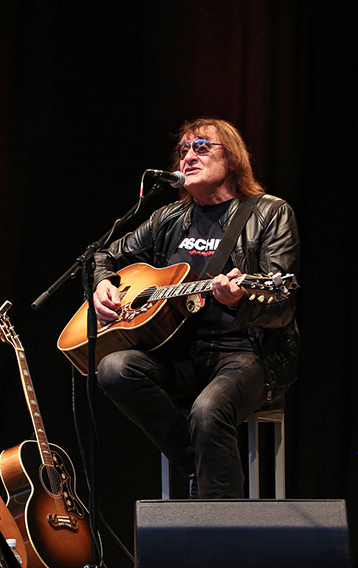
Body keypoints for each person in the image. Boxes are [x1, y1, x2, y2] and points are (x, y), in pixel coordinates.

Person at [92, 118, 299, 499]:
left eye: (202, 147)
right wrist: (104, 282)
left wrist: (241, 301)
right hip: (179, 356)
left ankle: (223, 533)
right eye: (184, 149)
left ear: (232, 158)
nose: (188, 156)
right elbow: (104, 254)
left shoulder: (269, 213)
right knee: (114, 369)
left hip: (246, 355)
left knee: (207, 411)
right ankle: (195, 466)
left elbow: (282, 302)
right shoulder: (168, 217)